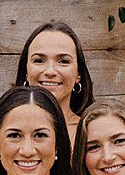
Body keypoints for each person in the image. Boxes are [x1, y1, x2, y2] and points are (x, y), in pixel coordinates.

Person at [13, 19, 95, 147]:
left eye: (63, 61)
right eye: (39, 60)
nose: (50, 71)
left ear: (78, 74)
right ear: (26, 72)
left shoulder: (93, 132)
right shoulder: (5, 130)